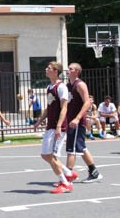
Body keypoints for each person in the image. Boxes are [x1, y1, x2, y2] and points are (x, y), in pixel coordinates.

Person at [33, 61, 74, 194]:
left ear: (56, 71)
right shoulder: (50, 87)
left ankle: (65, 183)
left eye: (49, 68)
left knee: (53, 157)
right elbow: (49, 107)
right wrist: (39, 121)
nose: (46, 69)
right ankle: (68, 173)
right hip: (50, 126)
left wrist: (58, 126)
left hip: (58, 127)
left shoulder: (61, 87)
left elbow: (64, 108)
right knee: (45, 155)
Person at [65, 63, 103, 183]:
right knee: (81, 148)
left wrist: (77, 118)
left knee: (71, 150)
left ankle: (67, 177)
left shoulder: (80, 84)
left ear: (77, 72)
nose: (68, 70)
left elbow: (87, 103)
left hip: (77, 121)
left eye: (71, 69)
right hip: (70, 120)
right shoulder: (67, 86)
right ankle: (94, 172)